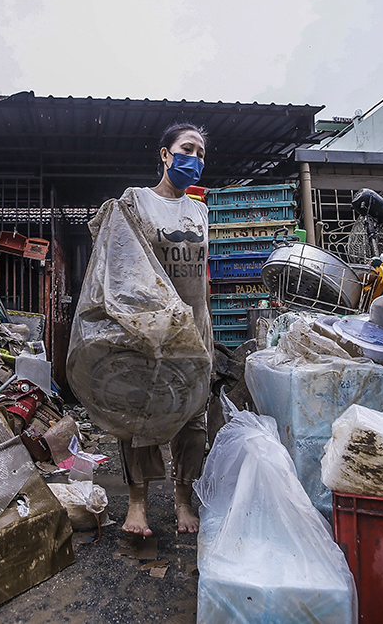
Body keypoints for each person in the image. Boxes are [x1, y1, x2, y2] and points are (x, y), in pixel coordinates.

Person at [111, 122, 213, 536]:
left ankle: (182, 497)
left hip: (195, 325)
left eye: (202, 153)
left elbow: (200, 274)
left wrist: (203, 321)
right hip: (151, 327)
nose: (195, 158)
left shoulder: (200, 210)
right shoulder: (136, 201)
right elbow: (119, 266)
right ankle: (137, 504)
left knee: (193, 416)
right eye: (187, 148)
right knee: (140, 412)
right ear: (166, 155)